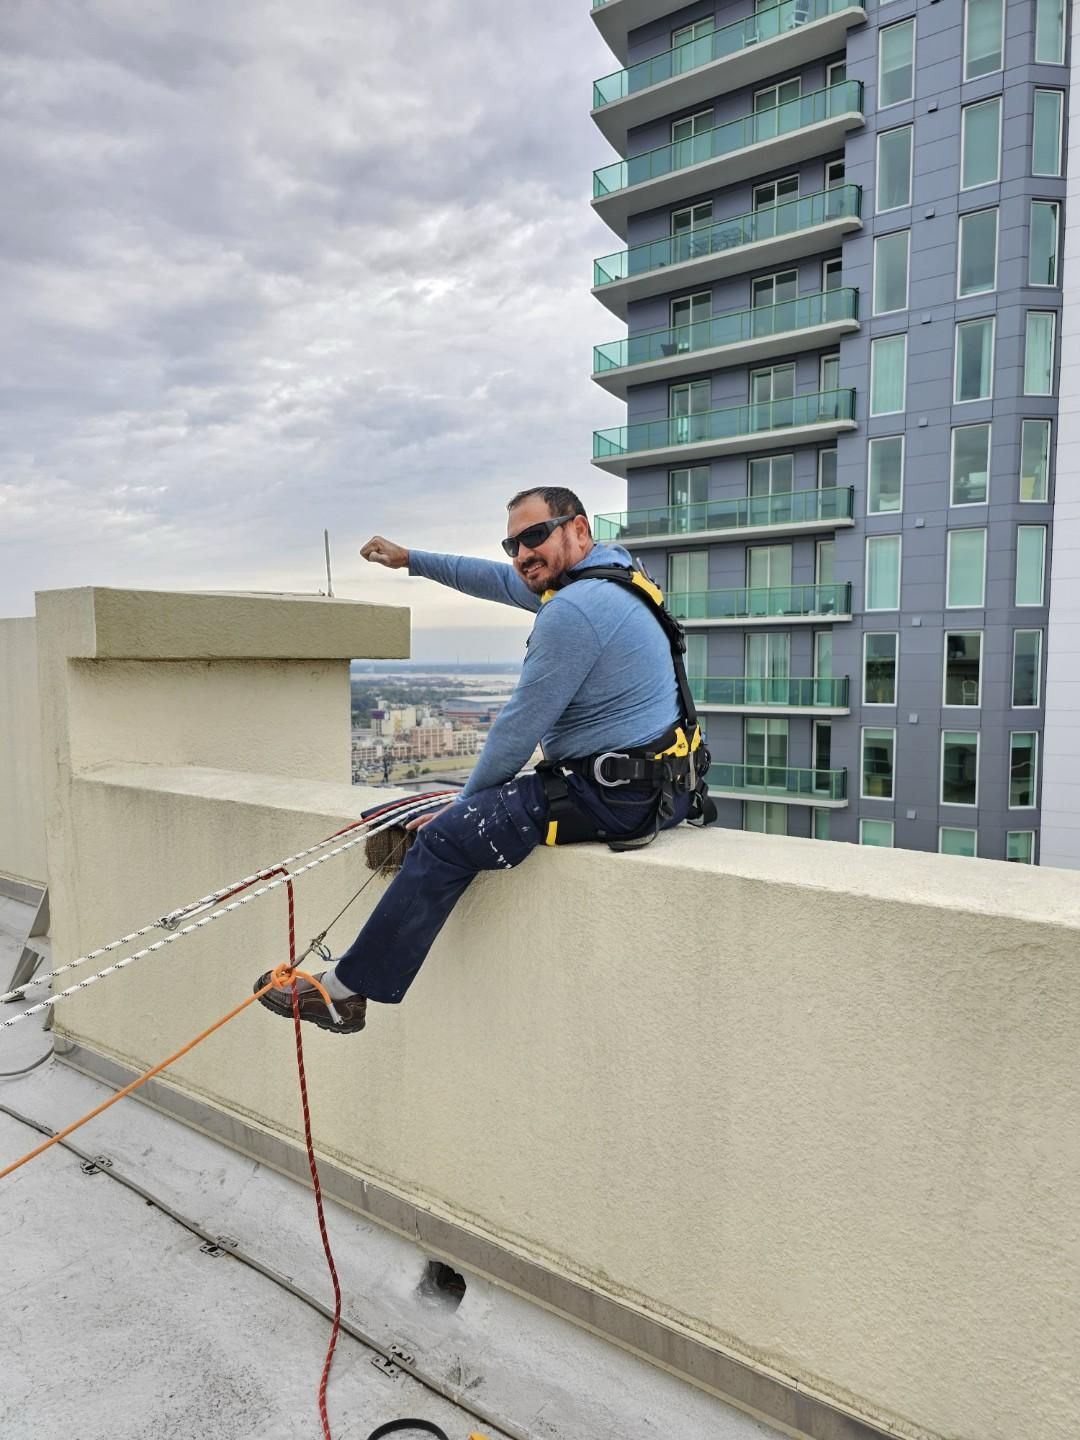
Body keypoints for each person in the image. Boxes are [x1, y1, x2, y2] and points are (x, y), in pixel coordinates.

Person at [254, 485, 709, 1034]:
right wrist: (411, 560)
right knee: (447, 805)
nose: (522, 555)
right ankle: (408, 855)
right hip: (663, 785)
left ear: (579, 529)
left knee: (449, 833)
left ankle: (347, 992)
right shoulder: (611, 576)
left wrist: (464, 807)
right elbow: (494, 579)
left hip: (614, 796)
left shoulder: (575, 610)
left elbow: (517, 730)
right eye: (512, 543)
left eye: (535, 536)